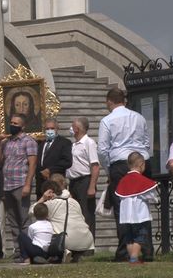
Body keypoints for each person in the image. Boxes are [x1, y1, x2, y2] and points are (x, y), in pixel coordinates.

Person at [97, 88, 153, 262]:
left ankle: (124, 251)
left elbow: (102, 149)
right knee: (142, 206)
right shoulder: (139, 117)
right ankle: (147, 250)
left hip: (120, 164)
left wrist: (109, 170)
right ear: (124, 100)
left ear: (109, 101)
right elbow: (146, 142)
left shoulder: (107, 120)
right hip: (141, 161)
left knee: (122, 209)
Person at [0, 113, 37, 259]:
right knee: (12, 220)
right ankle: (18, 250)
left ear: (23, 126)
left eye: (16, 123)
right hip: (7, 185)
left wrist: (28, 184)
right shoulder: (7, 142)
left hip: (21, 183)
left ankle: (27, 250)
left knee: (23, 219)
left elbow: (32, 164)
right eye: (11, 122)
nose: (12, 125)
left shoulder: (28, 141)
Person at [31, 179, 95, 262]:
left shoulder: (50, 204)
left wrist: (43, 198)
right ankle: (76, 253)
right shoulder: (74, 202)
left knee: (46, 225)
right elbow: (83, 219)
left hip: (66, 240)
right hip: (86, 240)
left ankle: (63, 252)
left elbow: (32, 211)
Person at [115, 152, 158, 264]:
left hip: (126, 216)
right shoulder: (141, 180)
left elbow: (120, 196)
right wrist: (155, 200)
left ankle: (132, 257)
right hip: (139, 215)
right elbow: (151, 195)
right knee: (140, 236)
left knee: (129, 238)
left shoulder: (123, 180)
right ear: (141, 164)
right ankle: (134, 258)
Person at [66, 117, 100, 238]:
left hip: (85, 181)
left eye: (72, 126)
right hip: (73, 182)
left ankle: (89, 246)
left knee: (87, 213)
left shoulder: (89, 143)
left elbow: (95, 166)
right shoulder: (74, 144)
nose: (70, 128)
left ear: (77, 129)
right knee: (75, 213)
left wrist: (91, 186)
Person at [35, 118, 72, 199]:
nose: (49, 131)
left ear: (57, 128)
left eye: (52, 128)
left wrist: (50, 170)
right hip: (41, 185)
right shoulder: (41, 143)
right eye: (47, 129)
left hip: (55, 185)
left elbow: (67, 161)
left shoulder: (64, 142)